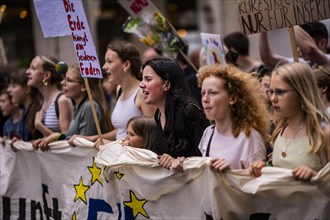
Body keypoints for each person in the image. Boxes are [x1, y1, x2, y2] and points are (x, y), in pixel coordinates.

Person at [172, 65, 270, 172]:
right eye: (203, 93)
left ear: (232, 98)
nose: (205, 99)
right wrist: (183, 166)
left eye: (213, 93)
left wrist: (230, 173)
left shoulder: (250, 137)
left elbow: (256, 182)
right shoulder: (208, 133)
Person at [249, 63, 330, 181]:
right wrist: (264, 170)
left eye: (280, 92)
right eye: (271, 91)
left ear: (301, 92)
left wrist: (315, 177)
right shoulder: (279, 132)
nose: (273, 98)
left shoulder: (324, 133)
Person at [139, 58, 210, 167]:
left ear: (166, 84)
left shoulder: (189, 112)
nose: (141, 85)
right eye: (142, 79)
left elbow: (206, 157)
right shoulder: (158, 115)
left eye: (148, 79)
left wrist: (182, 163)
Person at [33, 64, 111, 150]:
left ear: (84, 87)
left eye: (69, 80)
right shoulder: (78, 106)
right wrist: (50, 138)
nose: (63, 83)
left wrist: (55, 136)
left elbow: (82, 145)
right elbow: (70, 138)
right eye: (64, 79)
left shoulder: (89, 106)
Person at [91, 40, 156, 144]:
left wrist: (112, 144)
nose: (104, 67)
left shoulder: (142, 93)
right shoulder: (119, 90)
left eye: (109, 61)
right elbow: (121, 131)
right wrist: (93, 138)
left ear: (126, 65)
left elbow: (152, 135)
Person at [26, 55, 73, 136]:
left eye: (33, 68)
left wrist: (39, 126)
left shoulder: (62, 100)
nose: (27, 72)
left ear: (46, 75)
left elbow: (65, 140)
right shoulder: (42, 101)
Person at [259, 21, 330, 68]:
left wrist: (286, 19)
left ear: (322, 43)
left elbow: (310, 50)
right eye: (297, 45)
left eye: (301, 45)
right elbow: (267, 58)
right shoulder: (303, 64)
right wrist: (263, 25)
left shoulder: (328, 60)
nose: (298, 50)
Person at [7, 69, 43, 141]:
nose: (8, 90)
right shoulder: (25, 111)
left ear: (27, 89)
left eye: (14, 86)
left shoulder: (38, 111)